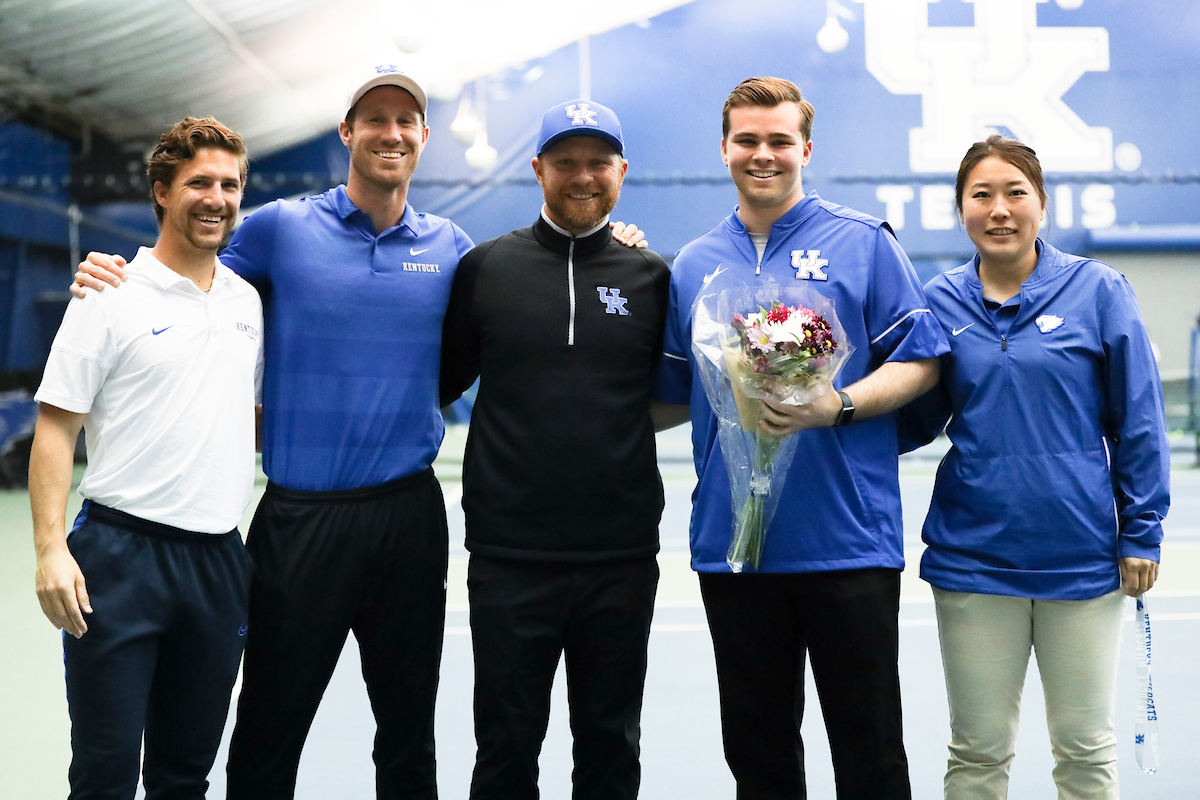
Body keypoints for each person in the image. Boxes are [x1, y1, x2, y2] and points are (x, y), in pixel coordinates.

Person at [72, 67, 647, 799]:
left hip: (408, 518)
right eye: (373, 119)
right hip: (301, 519)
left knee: (408, 734)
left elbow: (496, 329)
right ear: (346, 132)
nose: (390, 133)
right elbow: (190, 270)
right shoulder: (279, 229)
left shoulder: (454, 249)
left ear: (423, 139)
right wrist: (114, 273)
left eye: (405, 121)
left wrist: (612, 241)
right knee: (270, 725)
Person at [653, 77, 949, 799]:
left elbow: (922, 361)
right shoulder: (692, 263)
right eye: (748, 140)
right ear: (724, 149)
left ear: (805, 150)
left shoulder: (865, 243)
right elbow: (665, 397)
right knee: (758, 760)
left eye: (779, 141)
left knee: (871, 753)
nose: (764, 155)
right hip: (736, 548)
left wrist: (836, 403)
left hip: (848, 543)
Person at [897, 135, 1170, 800]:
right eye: (981, 195)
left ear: (1041, 205)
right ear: (960, 210)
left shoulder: (1098, 289)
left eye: (1014, 193)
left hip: (1080, 559)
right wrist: (815, 399)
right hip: (973, 560)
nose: (999, 209)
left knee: (1083, 750)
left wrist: (1141, 530)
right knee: (978, 752)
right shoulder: (939, 300)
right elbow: (915, 417)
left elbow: (1137, 418)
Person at [439, 99, 669, 800]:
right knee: (505, 745)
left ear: (621, 172)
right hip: (510, 556)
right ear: (537, 169)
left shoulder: (652, 277)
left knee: (609, 741)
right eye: (565, 162)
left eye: (597, 162)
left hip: (621, 557)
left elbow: (679, 394)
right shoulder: (484, 269)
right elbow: (441, 380)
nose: (582, 176)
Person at [30, 117, 262, 799]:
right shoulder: (109, 293)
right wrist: (50, 550)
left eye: (229, 184)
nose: (216, 197)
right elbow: (55, 426)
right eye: (198, 183)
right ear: (162, 191)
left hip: (219, 564)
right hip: (120, 559)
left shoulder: (246, 302)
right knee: (103, 774)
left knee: (184, 776)